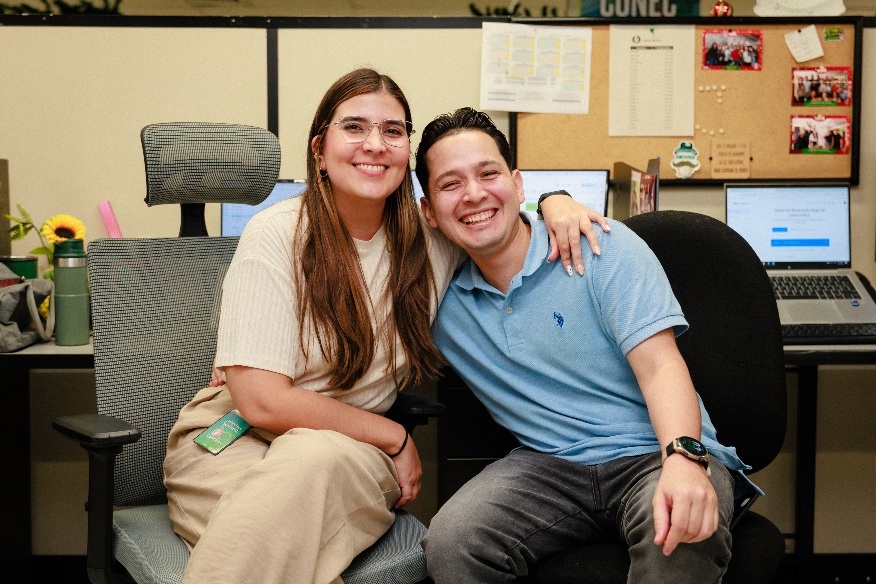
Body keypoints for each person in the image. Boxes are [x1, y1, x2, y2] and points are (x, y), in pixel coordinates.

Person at [163, 69, 608, 584]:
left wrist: (556, 201)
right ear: (319, 148)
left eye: (393, 131)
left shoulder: (432, 236)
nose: (375, 144)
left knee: (300, 480)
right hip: (235, 438)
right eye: (354, 127)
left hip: (347, 455)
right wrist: (393, 435)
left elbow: (494, 210)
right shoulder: (276, 233)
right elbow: (261, 402)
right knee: (279, 550)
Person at [414, 107, 761, 583]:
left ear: (518, 185)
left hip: (654, 452)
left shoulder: (600, 246)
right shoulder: (438, 300)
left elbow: (660, 366)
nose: (473, 193)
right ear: (428, 212)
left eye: (488, 174)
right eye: (450, 184)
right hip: (549, 467)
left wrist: (683, 458)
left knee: (677, 534)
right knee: (453, 542)